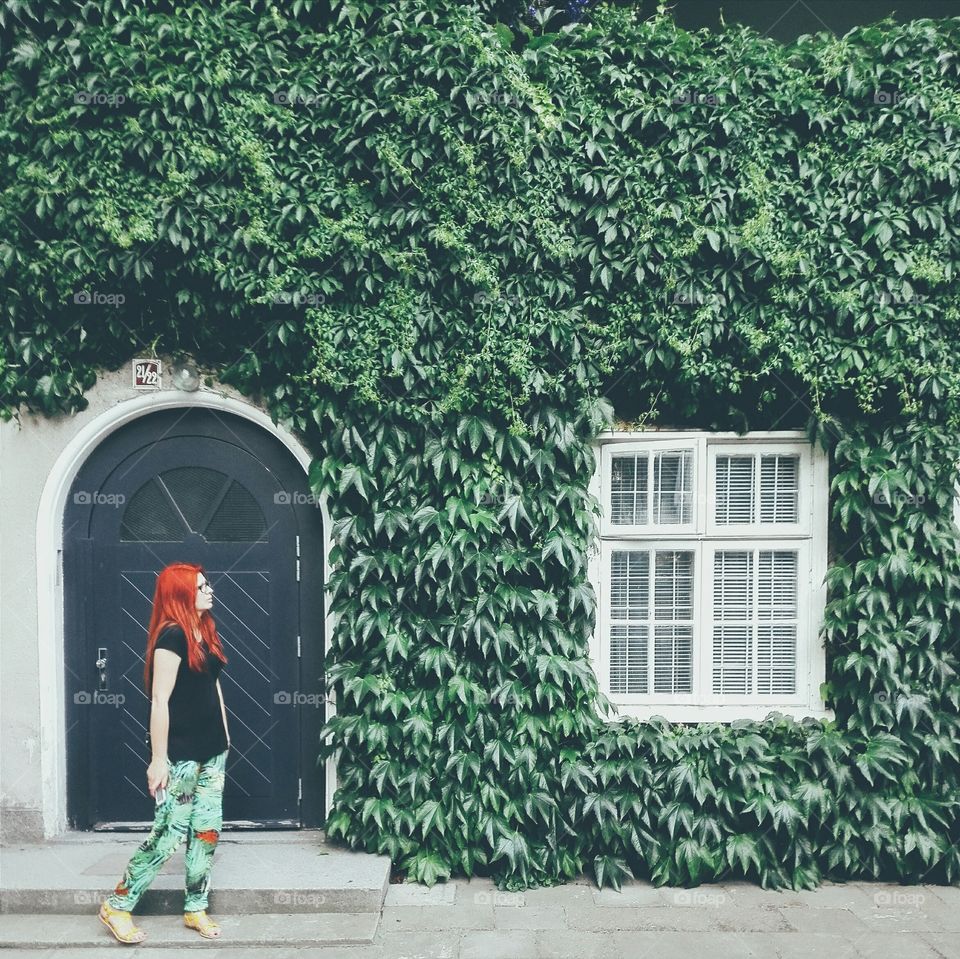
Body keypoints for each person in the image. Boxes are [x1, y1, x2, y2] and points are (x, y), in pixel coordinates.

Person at [97, 562, 231, 944]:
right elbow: (159, 700)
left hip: (213, 751)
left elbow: (214, 686)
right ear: (181, 594)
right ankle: (117, 905)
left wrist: (226, 736)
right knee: (168, 835)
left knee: (206, 832)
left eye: (207, 584)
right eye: (201, 587)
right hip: (181, 755)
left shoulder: (204, 630)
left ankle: (195, 908)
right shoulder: (171, 636)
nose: (209, 590)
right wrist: (159, 759)